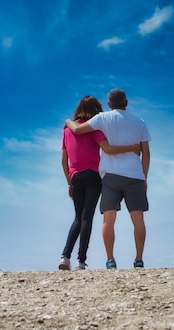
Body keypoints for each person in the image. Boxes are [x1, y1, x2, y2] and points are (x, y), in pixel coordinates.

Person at [65, 88, 151, 269]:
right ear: (126, 103)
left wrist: (67, 121)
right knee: (138, 220)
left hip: (110, 176)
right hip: (134, 175)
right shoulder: (140, 122)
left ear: (109, 105)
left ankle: (110, 260)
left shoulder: (103, 118)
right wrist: (144, 177)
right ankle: (138, 259)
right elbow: (146, 153)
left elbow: (78, 129)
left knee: (108, 219)